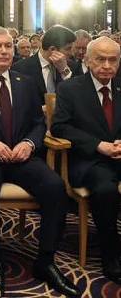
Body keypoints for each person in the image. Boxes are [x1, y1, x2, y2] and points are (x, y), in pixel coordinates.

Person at [0, 26, 79, 297]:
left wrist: (29, 143)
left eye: (8, 46)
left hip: (21, 157)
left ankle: (46, 260)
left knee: (55, 187)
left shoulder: (25, 82)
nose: (5, 51)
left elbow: (38, 123)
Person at [51, 36, 121, 284]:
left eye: (113, 60)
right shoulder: (71, 89)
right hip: (90, 160)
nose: (107, 65)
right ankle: (111, 256)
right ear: (88, 60)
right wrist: (98, 145)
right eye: (101, 59)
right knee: (106, 189)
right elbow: (60, 127)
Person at [12, 25, 78, 103]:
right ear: (52, 49)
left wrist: (65, 72)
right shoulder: (21, 68)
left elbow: (78, 96)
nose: (71, 53)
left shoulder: (72, 66)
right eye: (68, 49)